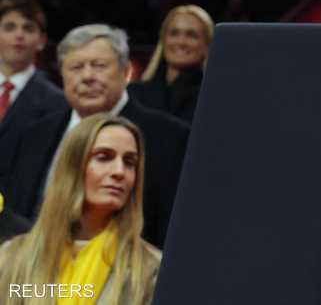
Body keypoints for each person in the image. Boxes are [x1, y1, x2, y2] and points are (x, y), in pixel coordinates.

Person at [0, 24, 189, 248]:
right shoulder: (34, 134)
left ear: (125, 71)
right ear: (62, 75)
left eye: (99, 66)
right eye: (76, 67)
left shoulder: (170, 138)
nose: (87, 76)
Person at [0, 115, 160, 304]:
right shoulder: (13, 257)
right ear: (72, 167)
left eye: (130, 162)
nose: (119, 171)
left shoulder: (150, 269)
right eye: (103, 157)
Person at [0, 0, 68, 160]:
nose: (19, 35)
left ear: (42, 41)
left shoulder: (57, 102)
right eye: (10, 28)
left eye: (28, 28)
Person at [129, 4, 214, 124]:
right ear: (163, 40)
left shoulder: (214, 98)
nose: (181, 42)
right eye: (174, 33)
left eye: (192, 35)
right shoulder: (133, 94)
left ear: (207, 45)